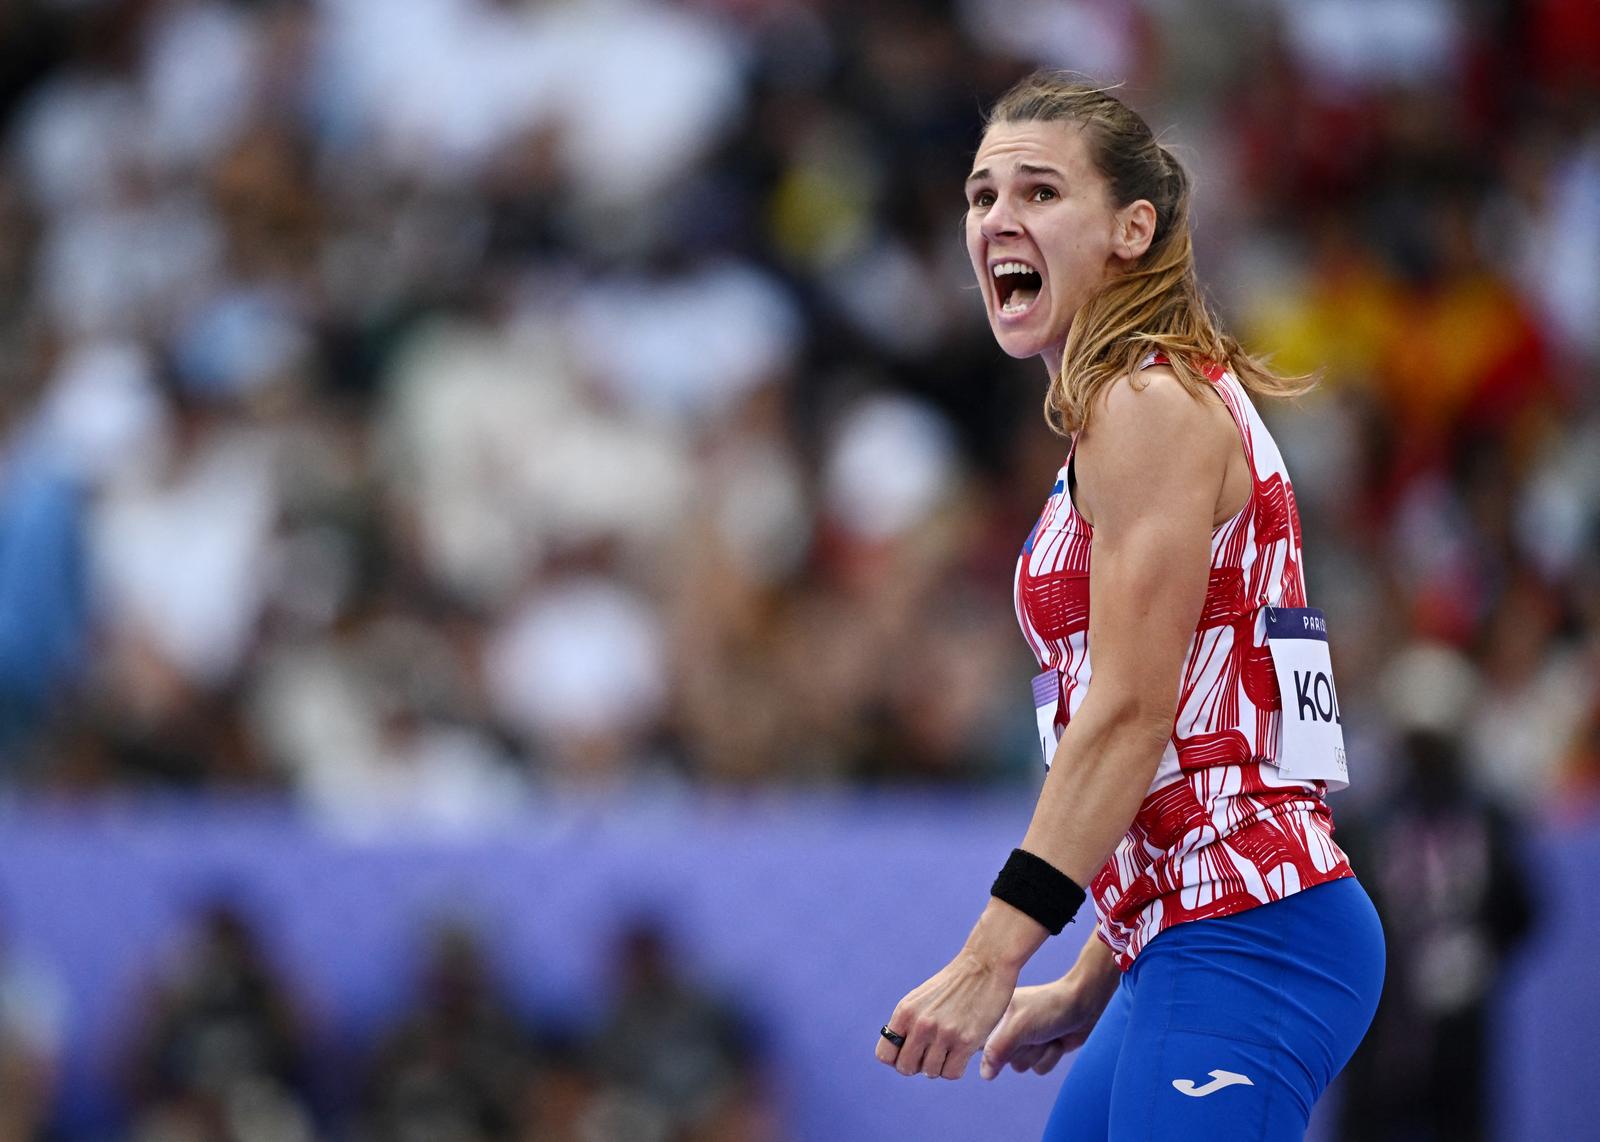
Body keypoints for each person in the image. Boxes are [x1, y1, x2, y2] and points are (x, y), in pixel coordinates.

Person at [872, 72, 1386, 1141]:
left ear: (1130, 228)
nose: (997, 219)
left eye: (1039, 193)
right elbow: (1202, 739)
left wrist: (992, 952)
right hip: (1181, 933)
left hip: (1252, 930)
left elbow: (1129, 712)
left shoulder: (1146, 406)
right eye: (980, 197)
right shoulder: (1131, 409)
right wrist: (1086, 980)